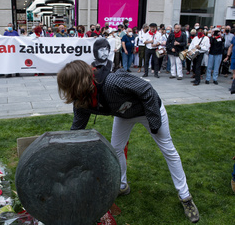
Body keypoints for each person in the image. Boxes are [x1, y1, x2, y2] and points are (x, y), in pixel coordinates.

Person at [57, 60, 199, 223]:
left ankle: (185, 196)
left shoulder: (112, 82)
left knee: (168, 150)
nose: (67, 92)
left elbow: (147, 90)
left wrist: (154, 122)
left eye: (68, 87)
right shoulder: (82, 99)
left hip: (148, 108)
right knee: (116, 149)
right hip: (124, 114)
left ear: (77, 84)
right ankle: (122, 185)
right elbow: (76, 130)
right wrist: (64, 152)